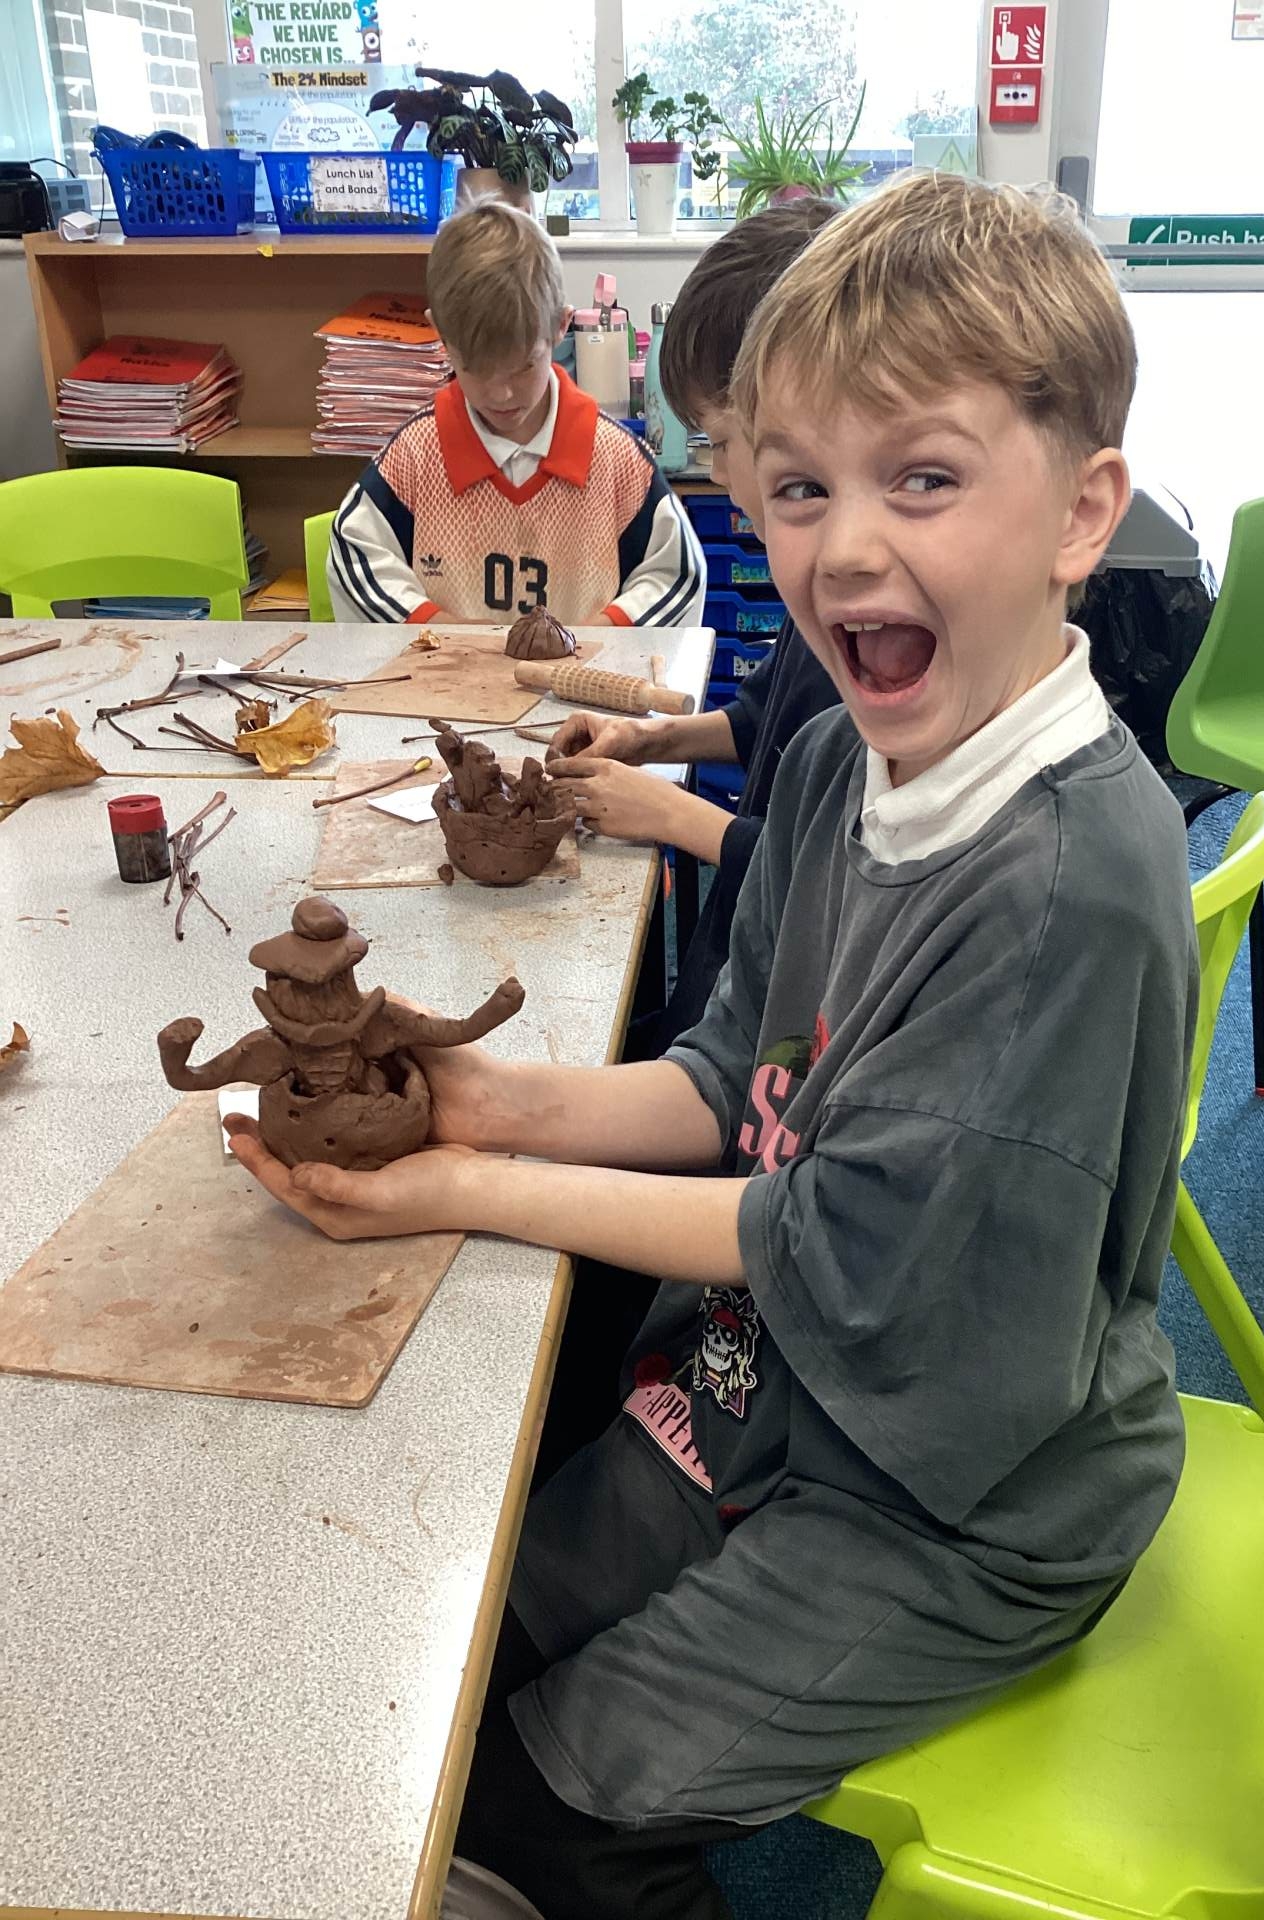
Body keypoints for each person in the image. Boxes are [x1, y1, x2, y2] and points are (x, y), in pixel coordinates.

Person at [229, 172, 1197, 1920]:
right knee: (449, 1662)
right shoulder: (834, 764)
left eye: (922, 478)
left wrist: (464, 1181)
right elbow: (724, 1072)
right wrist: (490, 1096)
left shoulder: (1063, 890)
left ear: (1080, 512)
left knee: (530, 1811)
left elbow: (821, 1239)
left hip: (955, 1502)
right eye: (800, 487)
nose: (844, 547)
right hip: (773, 1387)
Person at [546, 198, 844, 1056]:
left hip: (784, 1013)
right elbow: (761, 722)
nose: (717, 474)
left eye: (717, 441)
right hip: (735, 975)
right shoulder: (814, 604)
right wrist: (652, 740)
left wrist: (673, 815)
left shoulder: (867, 641)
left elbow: (831, 884)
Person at [327, 201, 704, 630]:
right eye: (474, 368)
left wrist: (602, 635)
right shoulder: (417, 456)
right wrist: (441, 629)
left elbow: (677, 575)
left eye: (524, 366)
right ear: (441, 334)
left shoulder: (615, 460)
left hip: (585, 671)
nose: (501, 393)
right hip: (448, 671)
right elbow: (352, 554)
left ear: (561, 326)